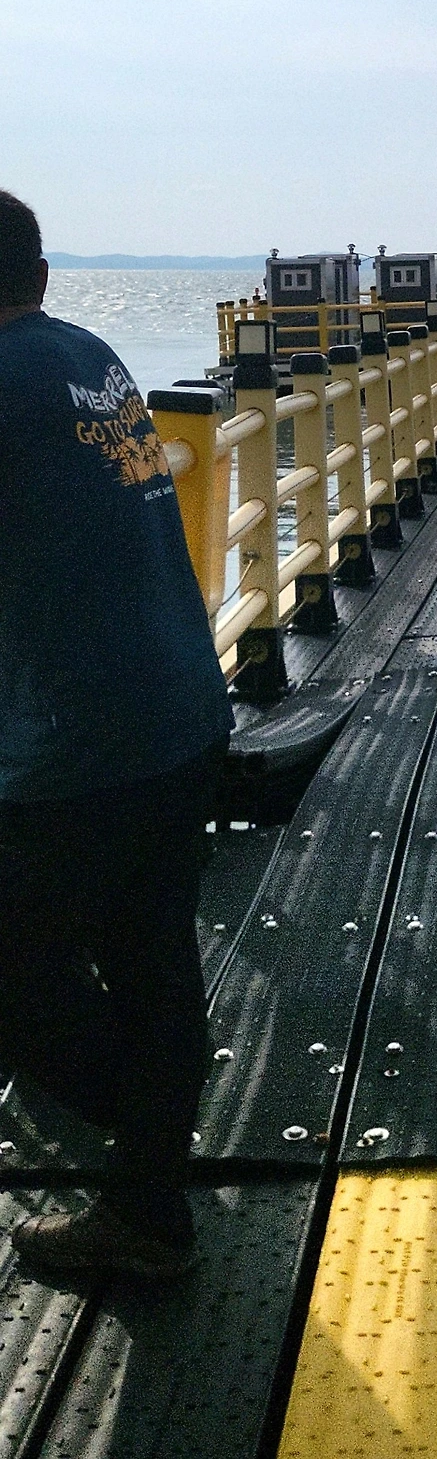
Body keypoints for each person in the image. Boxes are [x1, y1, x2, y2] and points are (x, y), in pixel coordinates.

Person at [0, 191, 233, 1280]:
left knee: (24, 972)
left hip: (75, 742)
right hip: (178, 706)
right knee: (153, 956)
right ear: (41, 277)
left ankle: (140, 1119)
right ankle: (147, 1199)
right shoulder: (89, 355)